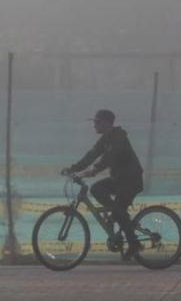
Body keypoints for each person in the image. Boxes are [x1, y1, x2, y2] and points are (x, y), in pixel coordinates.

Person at [62, 109, 145, 259]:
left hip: (131, 180)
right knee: (97, 189)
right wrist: (73, 168)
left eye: (97, 122)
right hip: (119, 180)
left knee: (118, 210)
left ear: (106, 123)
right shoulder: (105, 139)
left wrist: (94, 170)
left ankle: (134, 244)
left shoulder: (119, 136)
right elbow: (92, 154)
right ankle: (116, 214)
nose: (94, 125)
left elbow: (110, 157)